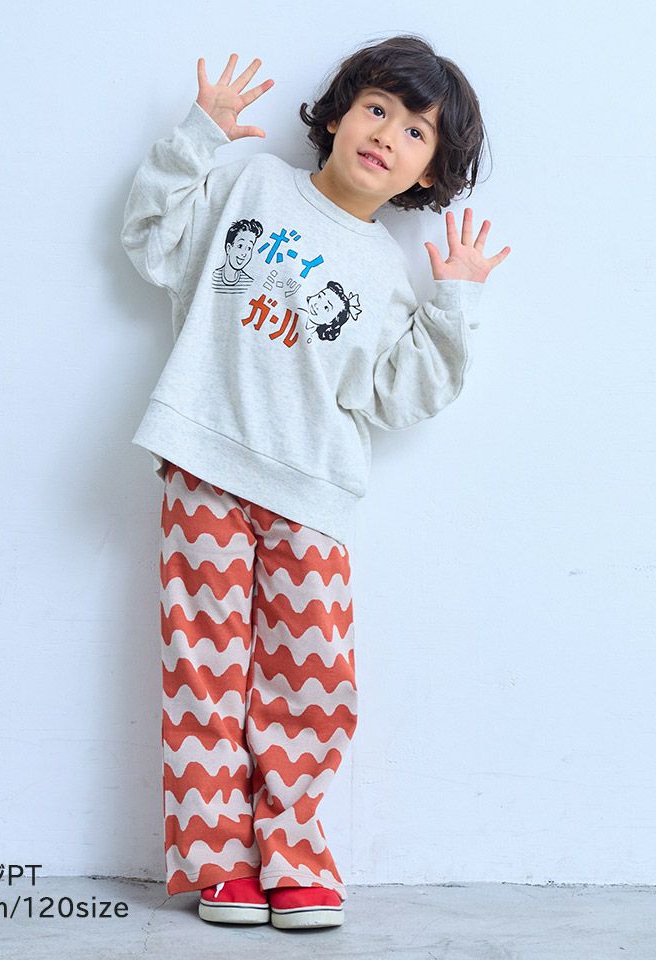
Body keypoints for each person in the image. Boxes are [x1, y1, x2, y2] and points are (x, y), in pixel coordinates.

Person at [120, 35, 511, 931]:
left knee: (312, 682)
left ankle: (293, 856)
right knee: (204, 673)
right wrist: (198, 135)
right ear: (337, 115)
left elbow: (401, 396)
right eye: (377, 108)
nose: (387, 135)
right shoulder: (251, 186)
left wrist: (452, 304)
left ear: (427, 172)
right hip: (205, 463)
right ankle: (220, 862)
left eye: (415, 131)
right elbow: (151, 239)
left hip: (313, 492)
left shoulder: (388, 274)